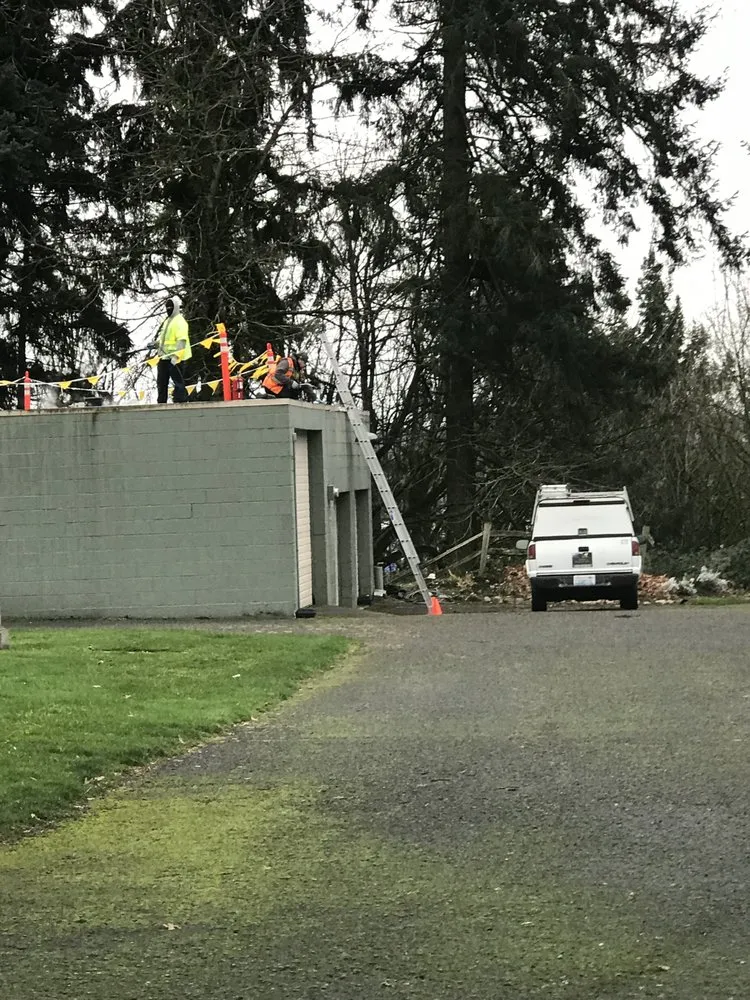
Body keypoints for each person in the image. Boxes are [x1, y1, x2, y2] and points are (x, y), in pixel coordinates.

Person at [156, 295, 191, 403]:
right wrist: (155, 344)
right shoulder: (167, 321)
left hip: (176, 358)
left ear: (175, 308)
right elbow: (164, 339)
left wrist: (176, 357)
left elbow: (182, 340)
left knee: (178, 382)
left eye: (170, 308)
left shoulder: (180, 321)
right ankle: (161, 403)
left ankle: (181, 403)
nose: (168, 310)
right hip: (164, 357)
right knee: (161, 382)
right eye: (167, 308)